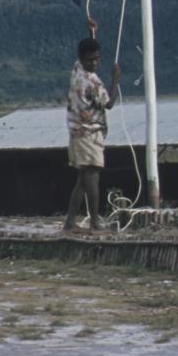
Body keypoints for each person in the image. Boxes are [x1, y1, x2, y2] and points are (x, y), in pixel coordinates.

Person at [63, 34, 120, 233]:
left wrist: (92, 31)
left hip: (77, 133)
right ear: (82, 58)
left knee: (82, 179)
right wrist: (115, 80)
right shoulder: (91, 83)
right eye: (90, 60)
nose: (94, 63)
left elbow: (88, 46)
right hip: (88, 133)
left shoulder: (76, 69)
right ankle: (95, 223)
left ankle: (70, 223)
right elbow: (109, 103)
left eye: (97, 58)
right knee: (92, 177)